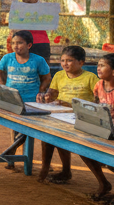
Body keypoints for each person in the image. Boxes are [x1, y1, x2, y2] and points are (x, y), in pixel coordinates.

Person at [36, 44, 97, 184]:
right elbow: (52, 94)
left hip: (81, 118)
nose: (65, 64)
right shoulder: (59, 75)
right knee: (48, 136)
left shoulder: (90, 78)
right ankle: (49, 168)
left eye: (69, 60)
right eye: (62, 60)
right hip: (60, 116)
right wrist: (46, 97)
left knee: (71, 142)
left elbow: (98, 102)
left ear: (81, 62)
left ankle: (65, 171)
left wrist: (69, 105)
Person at [81, 54, 114, 205]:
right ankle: (103, 182)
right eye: (98, 65)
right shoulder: (99, 85)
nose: (98, 68)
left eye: (102, 65)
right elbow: (96, 105)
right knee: (83, 146)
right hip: (104, 126)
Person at [0, 29, 52, 168]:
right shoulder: (7, 58)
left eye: (20, 43)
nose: (16, 46)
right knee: (14, 128)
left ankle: (15, 154)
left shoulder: (38, 60)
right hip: (13, 100)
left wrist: (40, 91)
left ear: (29, 45)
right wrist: (4, 88)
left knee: (29, 128)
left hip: (32, 101)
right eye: (13, 43)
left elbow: (46, 78)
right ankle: (12, 158)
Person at [10, 0, 53, 64]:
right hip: (23, 43)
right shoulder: (18, 8)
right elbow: (14, 27)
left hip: (40, 43)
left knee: (42, 68)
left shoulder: (44, 6)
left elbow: (50, 23)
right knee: (23, 67)